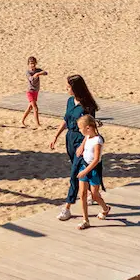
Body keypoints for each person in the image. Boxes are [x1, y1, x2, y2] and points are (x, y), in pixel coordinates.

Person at [49, 74, 99, 221]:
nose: (66, 88)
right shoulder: (70, 101)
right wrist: (56, 136)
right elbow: (65, 120)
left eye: (68, 86)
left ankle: (67, 207)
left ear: (75, 88)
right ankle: (91, 193)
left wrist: (83, 146)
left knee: (74, 174)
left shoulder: (87, 106)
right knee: (78, 169)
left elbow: (91, 129)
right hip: (70, 139)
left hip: (82, 140)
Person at [74, 114, 111, 230]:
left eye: (81, 128)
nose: (79, 130)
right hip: (84, 166)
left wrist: (85, 171)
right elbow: (86, 139)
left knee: (95, 195)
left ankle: (105, 208)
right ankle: (85, 220)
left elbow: (96, 160)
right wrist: (81, 147)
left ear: (88, 128)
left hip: (93, 170)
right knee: (83, 194)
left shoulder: (98, 140)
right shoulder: (88, 137)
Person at [21, 57, 48, 127]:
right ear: (28, 64)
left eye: (33, 63)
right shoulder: (28, 72)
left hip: (36, 91)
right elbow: (31, 79)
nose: (32, 65)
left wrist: (39, 73)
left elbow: (45, 73)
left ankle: (22, 120)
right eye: (31, 64)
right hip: (30, 91)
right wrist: (36, 75)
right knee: (35, 108)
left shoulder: (37, 70)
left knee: (30, 107)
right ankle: (37, 124)